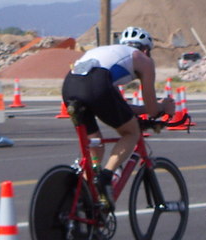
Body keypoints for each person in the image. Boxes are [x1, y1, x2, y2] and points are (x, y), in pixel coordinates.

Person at [62, 26, 175, 211]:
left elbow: (119, 105)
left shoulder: (108, 53)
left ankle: (83, 197)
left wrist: (143, 110)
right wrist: (164, 106)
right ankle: (105, 177)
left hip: (70, 86)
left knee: (95, 145)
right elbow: (153, 109)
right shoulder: (143, 60)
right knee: (131, 132)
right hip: (96, 86)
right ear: (146, 49)